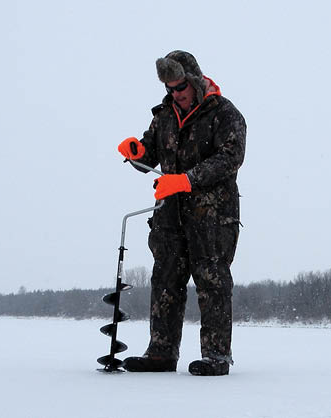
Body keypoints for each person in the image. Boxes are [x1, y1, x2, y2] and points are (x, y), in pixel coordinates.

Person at [117, 50, 246, 376]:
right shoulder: (163, 116)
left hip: (212, 217)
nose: (176, 94)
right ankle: (161, 353)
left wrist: (187, 180)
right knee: (164, 281)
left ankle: (216, 357)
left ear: (194, 80)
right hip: (169, 217)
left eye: (180, 87)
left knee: (212, 281)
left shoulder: (225, 114)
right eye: (170, 89)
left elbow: (229, 159)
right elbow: (149, 155)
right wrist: (136, 153)